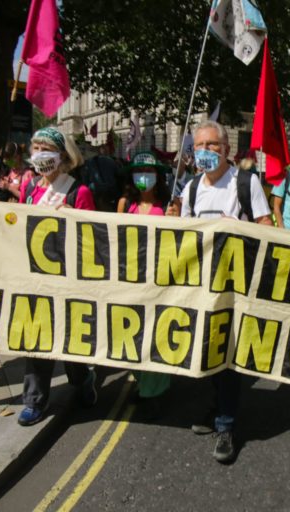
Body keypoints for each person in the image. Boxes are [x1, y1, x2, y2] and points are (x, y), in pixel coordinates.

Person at [172, 120, 272, 464]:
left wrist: (238, 229)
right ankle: (217, 409)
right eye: (199, 146)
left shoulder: (246, 183)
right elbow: (184, 236)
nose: (205, 151)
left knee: (228, 355)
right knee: (208, 349)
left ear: (227, 148)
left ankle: (226, 426)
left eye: (213, 145)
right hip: (202, 286)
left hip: (236, 286)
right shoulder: (191, 189)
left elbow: (267, 230)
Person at [16, 127, 99, 426]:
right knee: (36, 340)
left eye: (45, 148)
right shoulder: (29, 190)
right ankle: (34, 400)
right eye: (35, 148)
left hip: (68, 280)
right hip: (35, 278)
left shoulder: (79, 191)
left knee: (69, 341)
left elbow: (92, 241)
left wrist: (72, 221)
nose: (39, 154)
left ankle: (83, 379)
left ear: (63, 155)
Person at [118, 151, 173, 419]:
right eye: (139, 171)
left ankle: (155, 390)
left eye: (148, 172)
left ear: (157, 177)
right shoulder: (124, 204)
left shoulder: (168, 205)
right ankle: (141, 382)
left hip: (157, 277)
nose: (143, 177)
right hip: (130, 277)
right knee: (132, 334)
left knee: (154, 334)